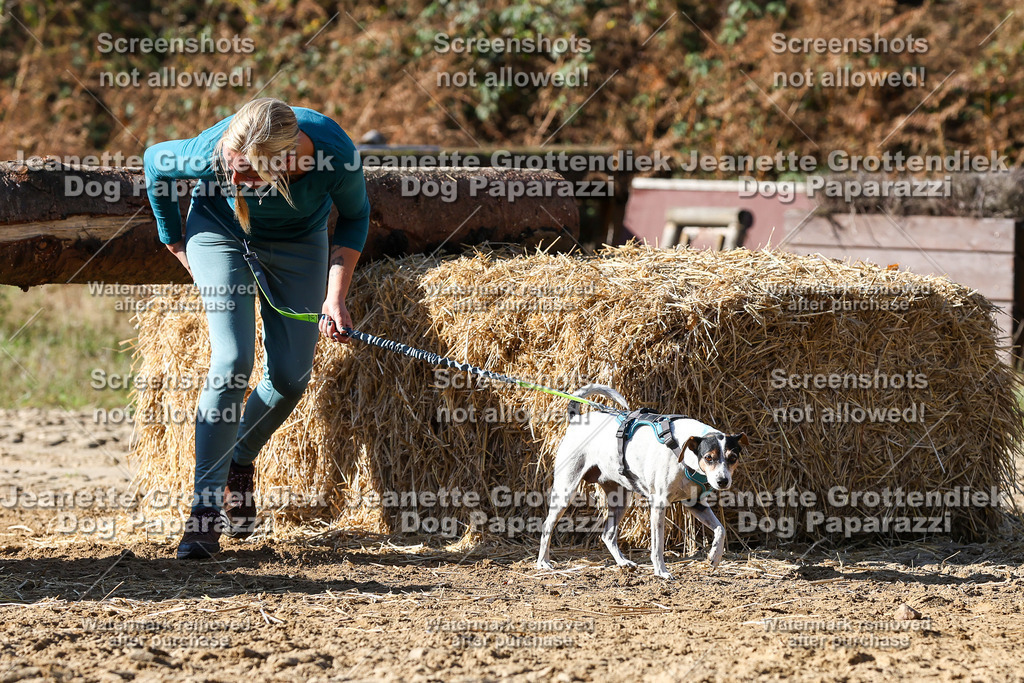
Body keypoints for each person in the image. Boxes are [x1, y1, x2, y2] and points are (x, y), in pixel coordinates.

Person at [143, 98, 369, 559]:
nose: (234, 179)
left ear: (286, 160)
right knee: (232, 362)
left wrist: (335, 296)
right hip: (220, 231)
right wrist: (172, 240)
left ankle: (239, 461)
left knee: (290, 377)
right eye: (230, 168)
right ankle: (203, 514)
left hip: (299, 240)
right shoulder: (212, 151)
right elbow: (154, 163)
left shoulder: (334, 153)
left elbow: (355, 216)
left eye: (246, 174)